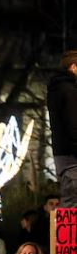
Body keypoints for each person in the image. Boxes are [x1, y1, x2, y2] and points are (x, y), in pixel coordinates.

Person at [50, 50, 77, 206]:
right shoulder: (69, 91)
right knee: (72, 207)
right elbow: (73, 127)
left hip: (63, 157)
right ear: (73, 67)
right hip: (72, 159)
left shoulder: (57, 89)